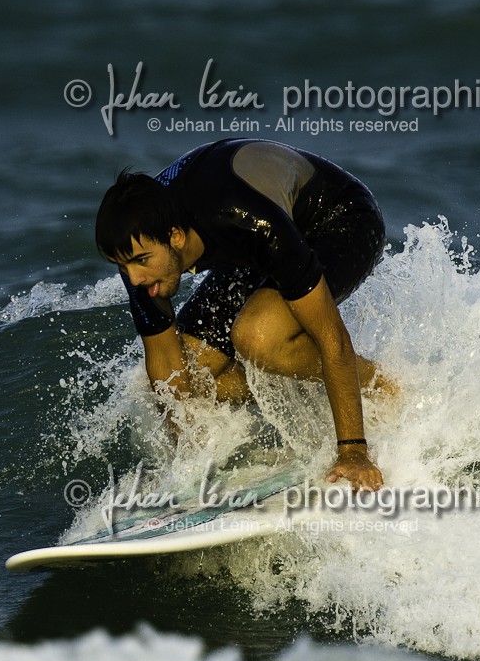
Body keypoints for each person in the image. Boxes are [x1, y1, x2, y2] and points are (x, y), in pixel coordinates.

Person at [95, 138, 390, 491]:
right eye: (123, 266)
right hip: (254, 249)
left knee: (257, 337)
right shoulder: (137, 248)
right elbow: (165, 360)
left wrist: (353, 453)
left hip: (339, 220)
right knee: (191, 380)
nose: (135, 279)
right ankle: (317, 389)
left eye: (141, 262)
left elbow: (331, 334)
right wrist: (187, 474)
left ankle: (380, 387)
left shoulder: (246, 219)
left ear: (175, 237)